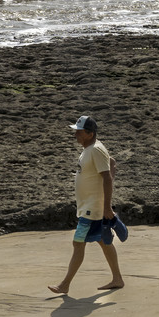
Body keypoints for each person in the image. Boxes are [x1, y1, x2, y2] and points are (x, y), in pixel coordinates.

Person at [49, 115, 125, 294]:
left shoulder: (95, 150)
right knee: (103, 241)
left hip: (92, 209)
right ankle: (117, 279)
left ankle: (65, 285)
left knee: (78, 243)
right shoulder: (91, 149)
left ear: (90, 133)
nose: (75, 134)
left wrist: (106, 206)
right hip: (90, 207)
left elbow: (107, 177)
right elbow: (111, 162)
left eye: (79, 131)